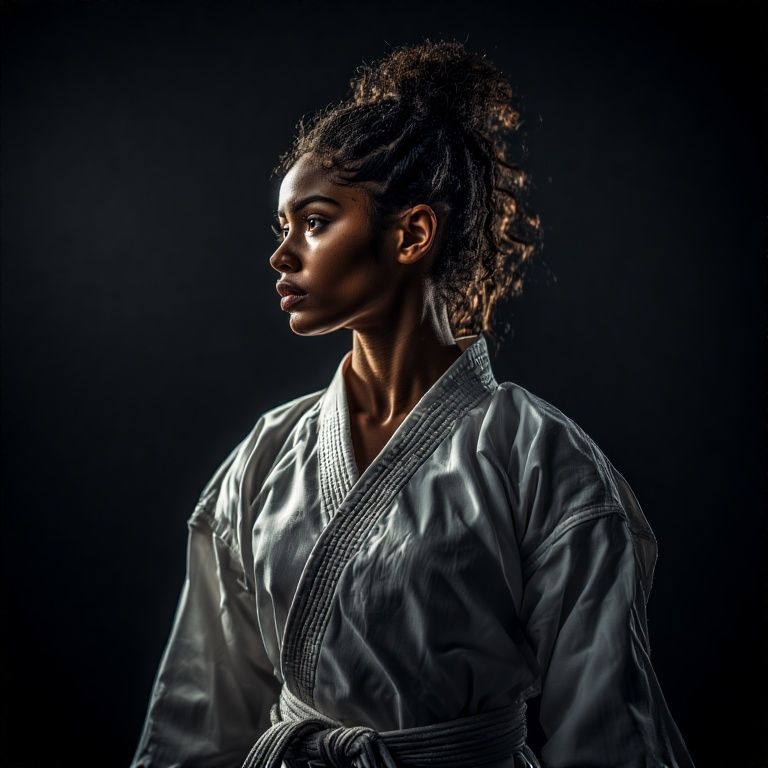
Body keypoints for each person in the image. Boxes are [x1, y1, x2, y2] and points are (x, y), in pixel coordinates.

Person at [130, 40, 694, 768]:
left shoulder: (541, 461)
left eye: (314, 221)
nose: (281, 255)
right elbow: (195, 721)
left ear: (412, 234)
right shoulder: (266, 455)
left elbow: (608, 729)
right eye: (282, 227)